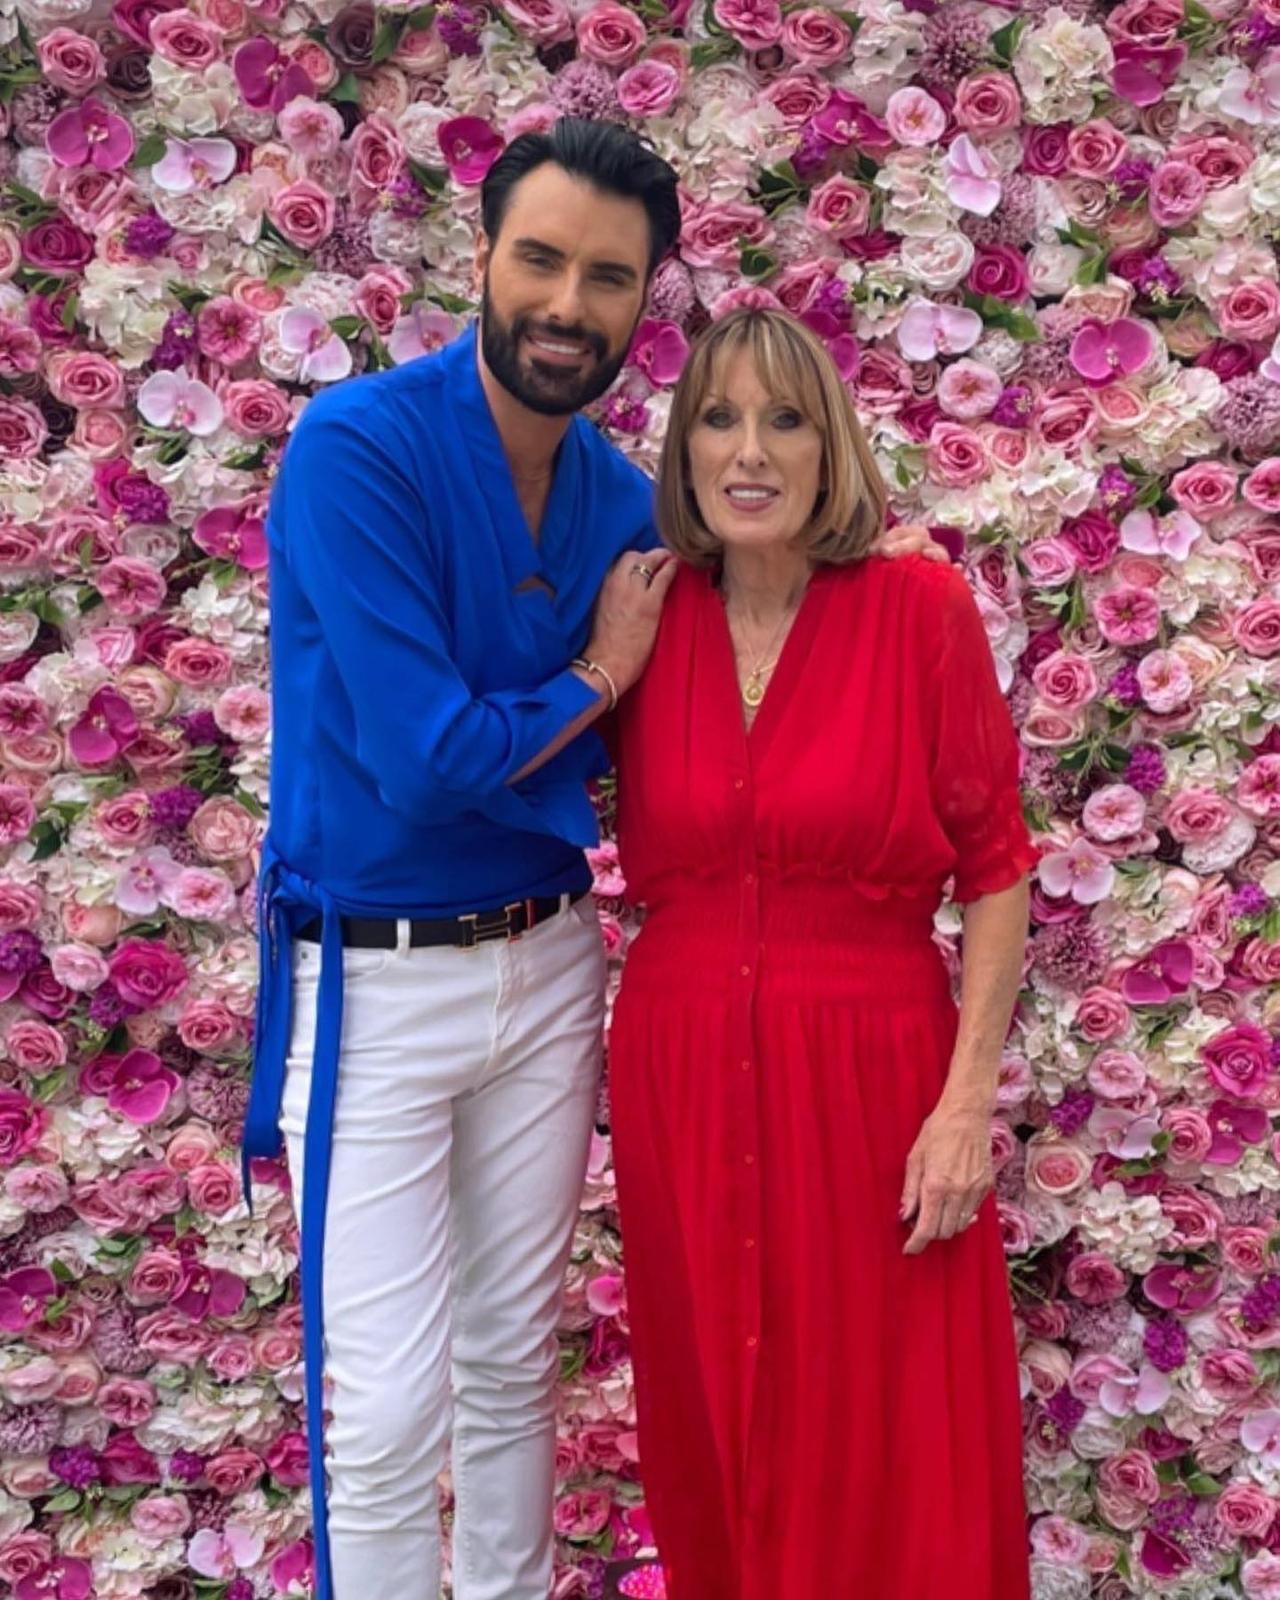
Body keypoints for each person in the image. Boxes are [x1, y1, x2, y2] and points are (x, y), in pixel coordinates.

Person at [241, 119, 940, 1600]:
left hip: (551, 965)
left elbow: (745, 702)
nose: (568, 304)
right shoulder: (356, 446)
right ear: (481, 257)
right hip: (375, 978)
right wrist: (595, 678)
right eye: (542, 260)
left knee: (509, 1372)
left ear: (644, 302)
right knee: (378, 1418)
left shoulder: (633, 502)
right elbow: (428, 764)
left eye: (607, 278)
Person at [607, 308, 1036, 1600]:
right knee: (719, 1419)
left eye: (785, 418)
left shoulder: (918, 611)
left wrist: (967, 1106)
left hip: (872, 1082)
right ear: (683, 453)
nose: (751, 451)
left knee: (894, 1431)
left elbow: (998, 866)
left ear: (830, 443)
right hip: (681, 1079)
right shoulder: (644, 617)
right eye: (720, 420)